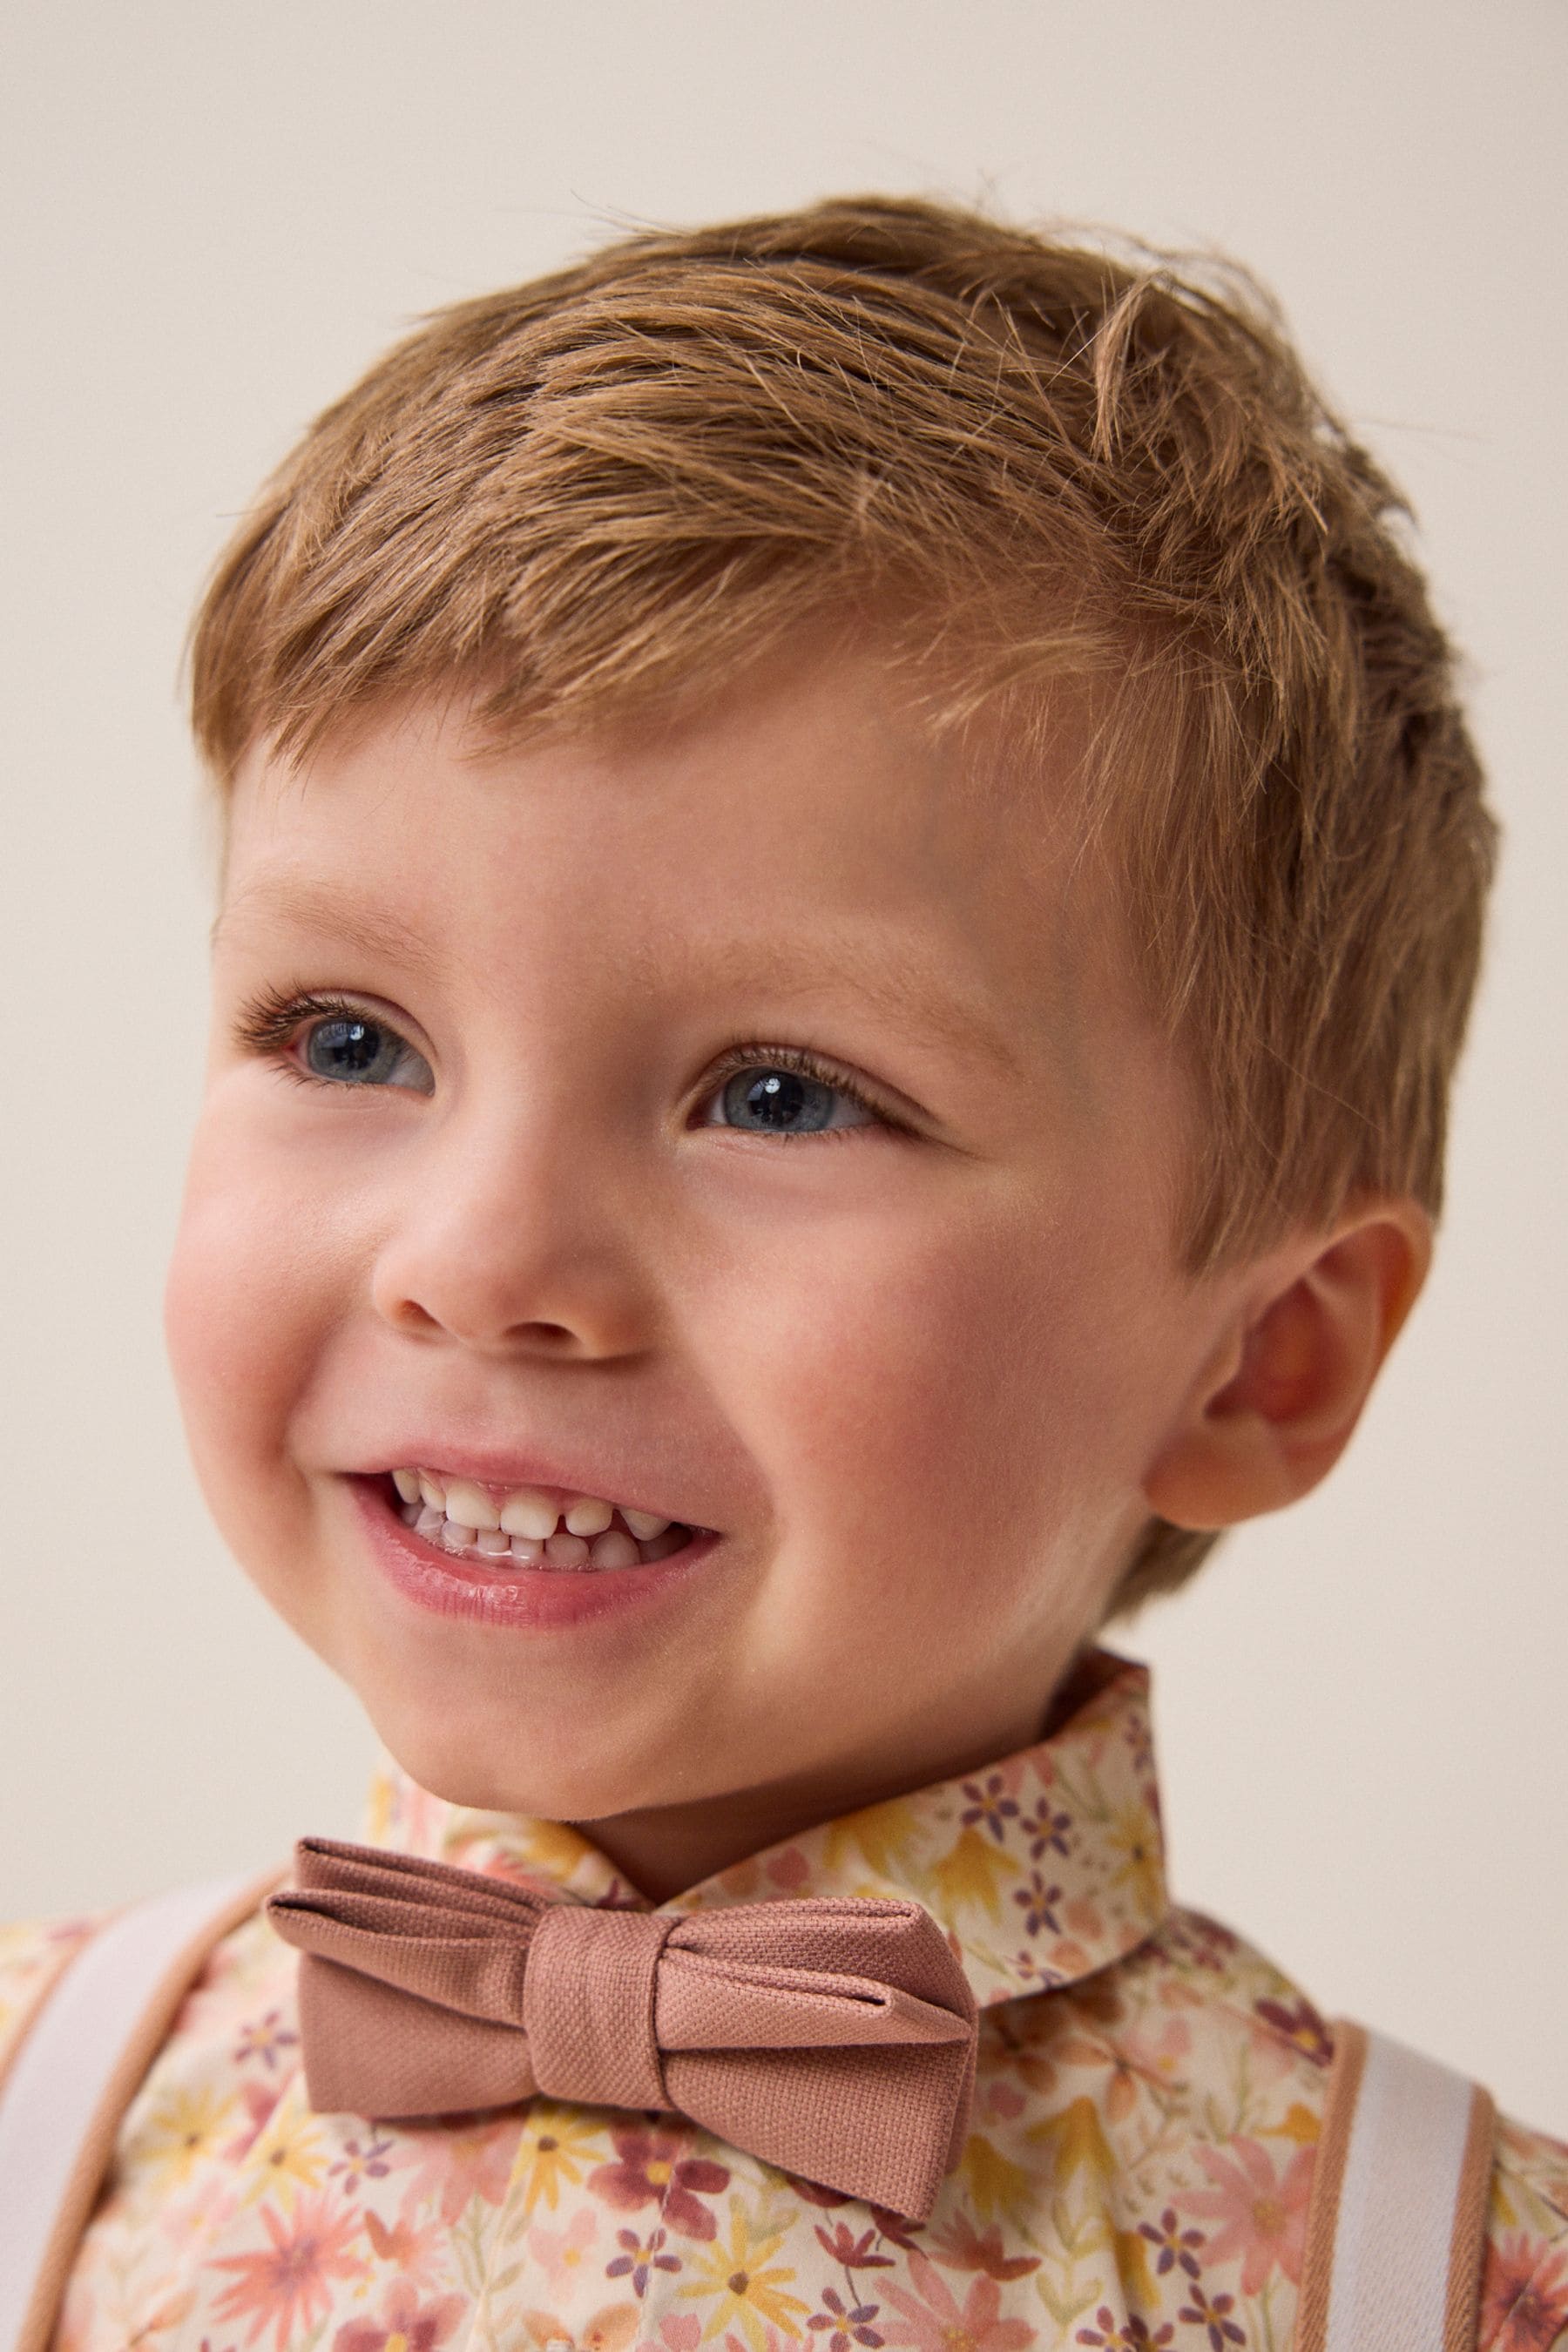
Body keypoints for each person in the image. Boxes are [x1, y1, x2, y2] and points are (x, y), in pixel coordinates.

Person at [3, 195, 1564, 2352]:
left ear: (1261, 1362)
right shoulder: (33, 2113)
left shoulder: (1460, 2283)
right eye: (347, 1040)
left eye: (783, 1097)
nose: (480, 1263)